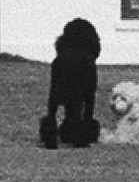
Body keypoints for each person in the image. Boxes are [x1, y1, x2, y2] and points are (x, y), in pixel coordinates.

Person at [40, 16, 102, 148]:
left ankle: (50, 134)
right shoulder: (88, 62)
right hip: (82, 72)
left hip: (61, 68)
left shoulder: (59, 59)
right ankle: (81, 136)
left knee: (54, 103)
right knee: (83, 100)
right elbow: (89, 98)